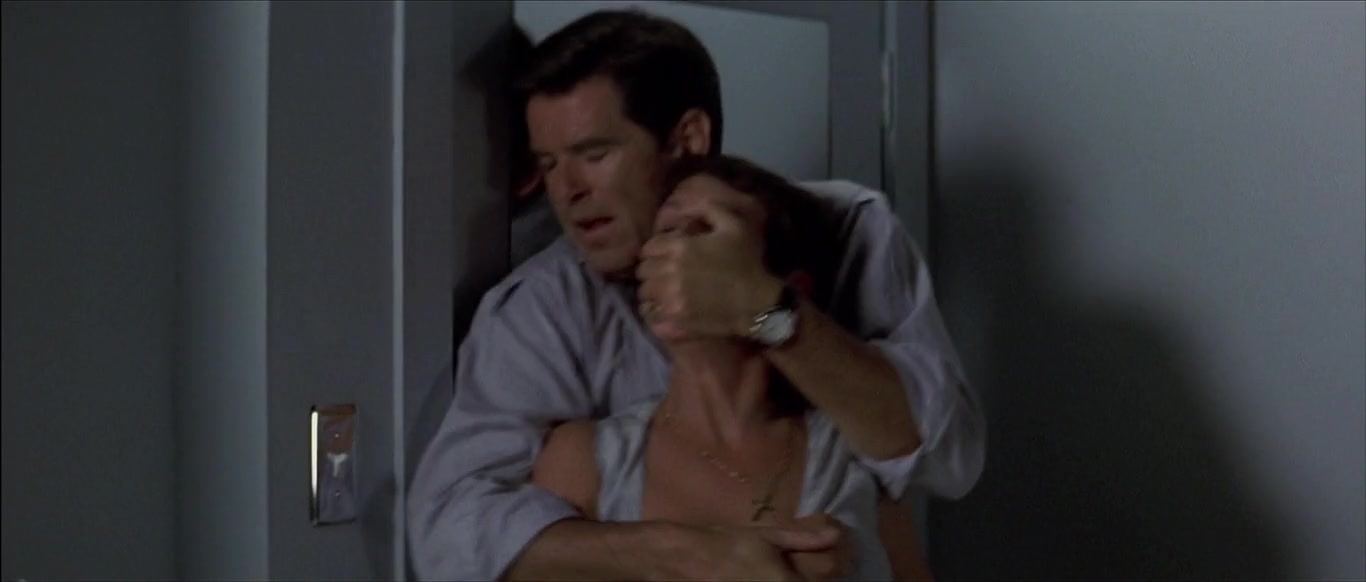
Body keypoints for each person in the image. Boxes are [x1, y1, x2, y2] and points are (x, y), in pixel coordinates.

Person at [408, 9, 985, 580]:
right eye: (549, 163)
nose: (567, 191)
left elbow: (949, 458)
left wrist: (765, 311)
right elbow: (448, 532)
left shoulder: (841, 231)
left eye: (594, 154)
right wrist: (691, 553)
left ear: (688, 138)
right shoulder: (542, 309)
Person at [531, 154, 934, 581]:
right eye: (666, 231)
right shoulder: (585, 460)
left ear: (789, 286)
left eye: (705, 230)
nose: (677, 254)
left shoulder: (855, 449)